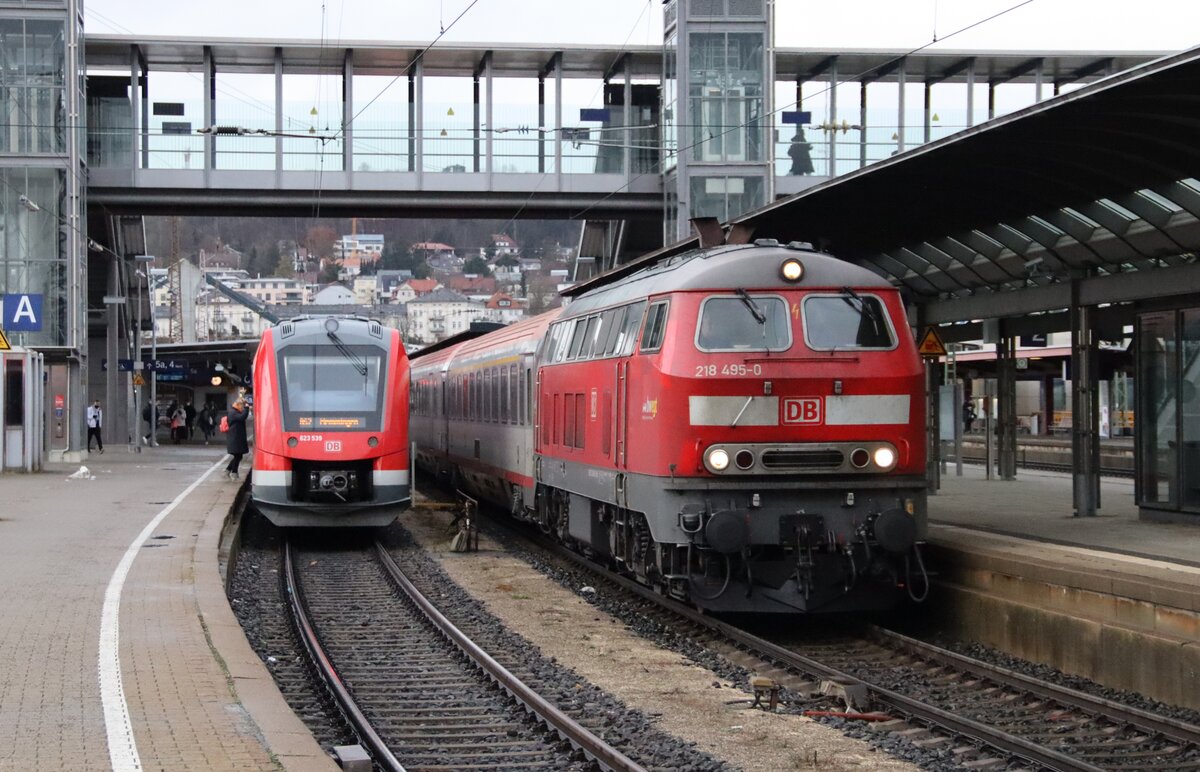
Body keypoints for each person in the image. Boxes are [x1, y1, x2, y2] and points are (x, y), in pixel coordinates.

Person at [224, 398, 250, 480]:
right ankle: (233, 472)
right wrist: (247, 408)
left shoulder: (234, 412)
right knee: (237, 456)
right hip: (235, 438)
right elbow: (242, 417)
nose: (242, 408)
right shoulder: (233, 413)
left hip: (236, 438)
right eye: (241, 406)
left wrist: (245, 403)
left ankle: (228, 470)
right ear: (238, 405)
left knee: (238, 456)